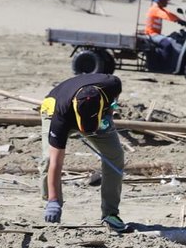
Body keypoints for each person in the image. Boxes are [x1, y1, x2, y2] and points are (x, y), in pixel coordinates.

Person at [39, 74, 127, 232]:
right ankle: (51, 204)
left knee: (115, 156)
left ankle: (110, 213)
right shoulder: (61, 117)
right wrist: (54, 200)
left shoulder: (112, 84)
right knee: (48, 159)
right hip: (53, 109)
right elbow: (56, 162)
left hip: (100, 115)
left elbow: (114, 99)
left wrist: (108, 112)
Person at [144, 0, 186, 69]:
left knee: (172, 38)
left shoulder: (160, 8)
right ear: (160, 1)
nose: (167, 2)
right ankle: (163, 66)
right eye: (165, 0)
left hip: (156, 34)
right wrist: (178, 21)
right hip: (151, 34)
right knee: (167, 44)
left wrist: (181, 21)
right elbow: (165, 16)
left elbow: (169, 14)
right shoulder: (155, 9)